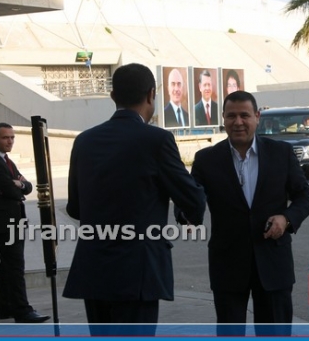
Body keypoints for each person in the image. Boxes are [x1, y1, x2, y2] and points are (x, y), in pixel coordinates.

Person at [62, 63, 207, 335]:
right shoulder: (157, 140)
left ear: (113, 96)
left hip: (94, 270)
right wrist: (190, 214)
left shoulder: (84, 141)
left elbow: (75, 207)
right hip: (138, 273)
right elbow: (193, 199)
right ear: (152, 94)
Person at [188, 91, 309, 336]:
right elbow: (192, 201)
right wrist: (186, 215)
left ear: (257, 117)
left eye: (244, 115)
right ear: (223, 118)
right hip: (228, 266)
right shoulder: (206, 160)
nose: (238, 122)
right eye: (231, 116)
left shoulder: (281, 153)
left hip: (273, 264)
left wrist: (286, 219)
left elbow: (304, 197)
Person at [0, 123, 51, 323]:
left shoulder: (7, 161)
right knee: (15, 266)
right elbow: (11, 191)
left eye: (12, 137)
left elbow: (27, 187)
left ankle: (6, 307)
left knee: (8, 265)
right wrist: (18, 185)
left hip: (14, 221)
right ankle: (22, 310)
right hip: (4, 223)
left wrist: (19, 183)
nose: (10, 141)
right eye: (5, 137)